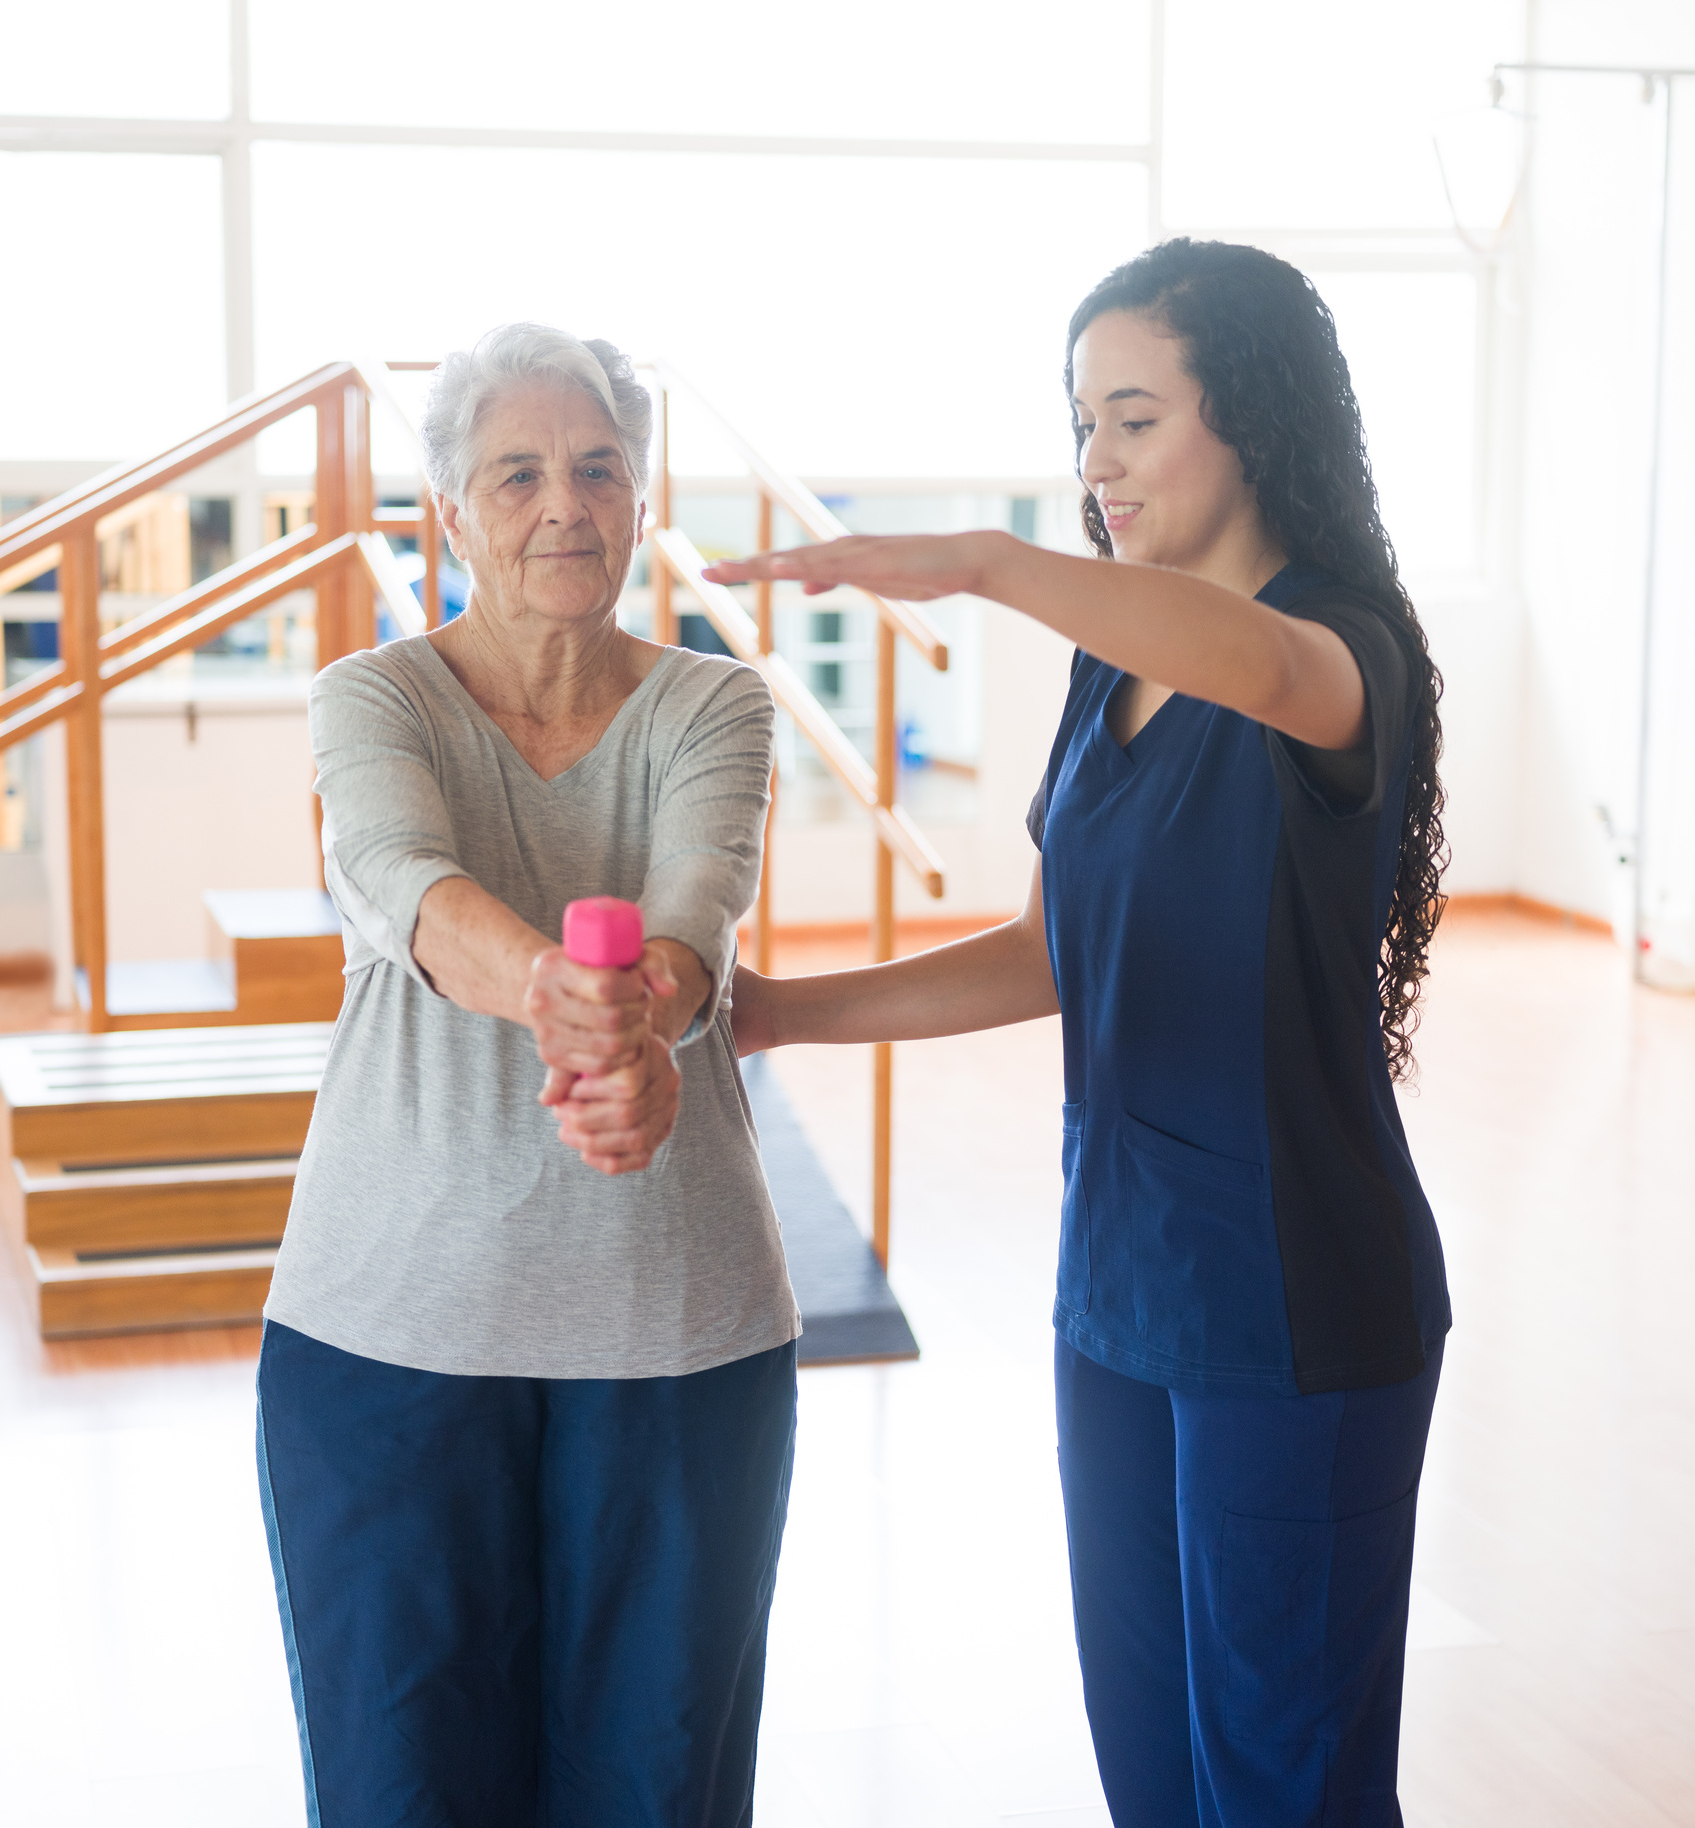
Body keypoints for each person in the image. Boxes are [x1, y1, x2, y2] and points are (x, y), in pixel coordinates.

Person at [704, 237, 1453, 1825]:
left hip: (1293, 1300)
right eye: (1080, 423)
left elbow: (1256, 665)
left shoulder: (1344, 652)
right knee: (1154, 1770)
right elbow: (1050, 952)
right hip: (1116, 1281)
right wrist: (774, 1015)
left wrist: (981, 561)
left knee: (1281, 1781)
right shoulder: (1107, 660)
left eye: (1133, 418)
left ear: (1245, 419)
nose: (1096, 464)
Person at [257, 323, 799, 1827]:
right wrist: (568, 1003)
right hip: (387, 1337)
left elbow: (698, 899)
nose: (564, 504)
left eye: (598, 470)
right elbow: (394, 874)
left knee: (655, 1790)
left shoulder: (714, 703)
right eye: (517, 474)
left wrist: (654, 1004)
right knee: (401, 1788)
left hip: (677, 1343)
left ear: (638, 499)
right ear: (450, 511)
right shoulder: (373, 697)